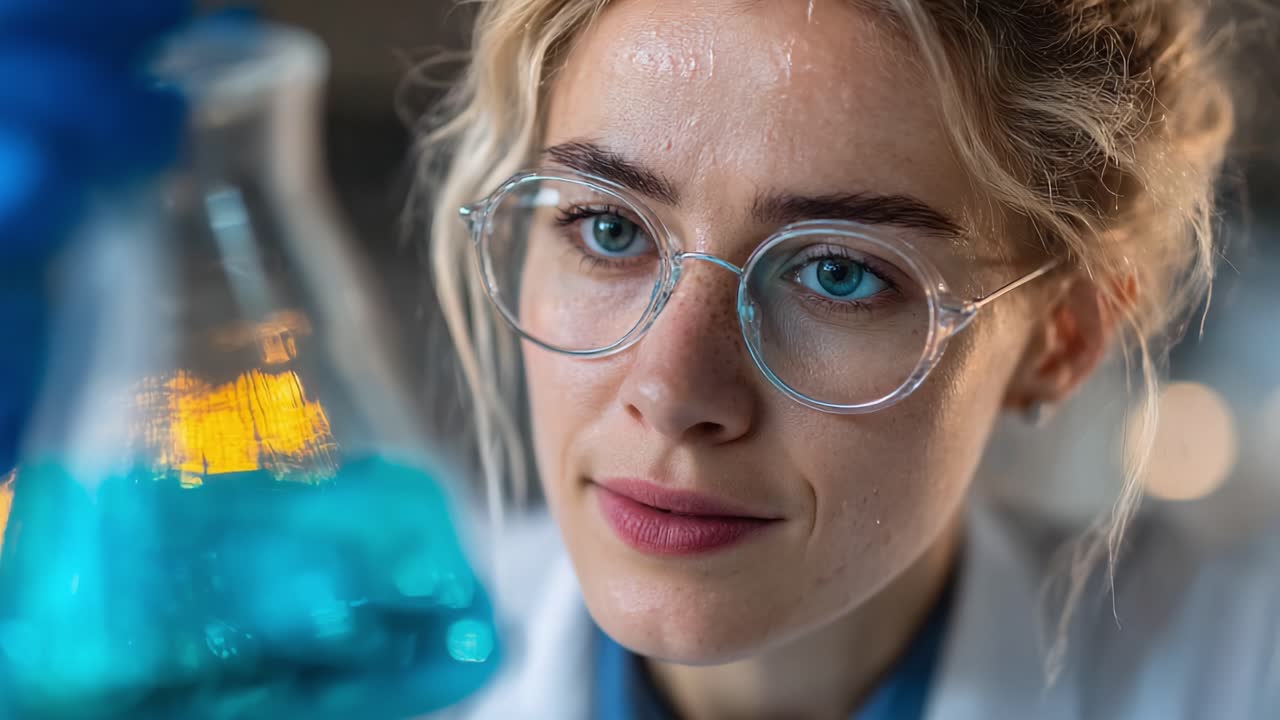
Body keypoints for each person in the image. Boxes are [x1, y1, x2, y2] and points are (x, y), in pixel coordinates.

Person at [418, 0, 1279, 718]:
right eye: (610, 230)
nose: (671, 390)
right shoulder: (349, 663)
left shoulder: (1241, 676)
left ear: (1064, 338)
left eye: (839, 274)